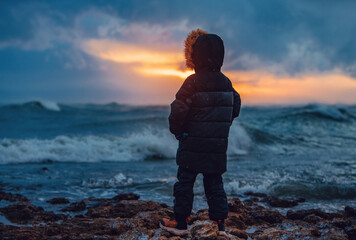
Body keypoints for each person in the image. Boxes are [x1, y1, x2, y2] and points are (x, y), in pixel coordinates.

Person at [159, 29, 241, 236]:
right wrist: (222, 126)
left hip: (192, 142)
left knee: (185, 182)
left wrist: (178, 131)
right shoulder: (226, 82)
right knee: (214, 183)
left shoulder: (192, 82)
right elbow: (235, 106)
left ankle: (180, 223)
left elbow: (178, 110)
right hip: (217, 145)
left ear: (196, 56)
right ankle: (220, 225)